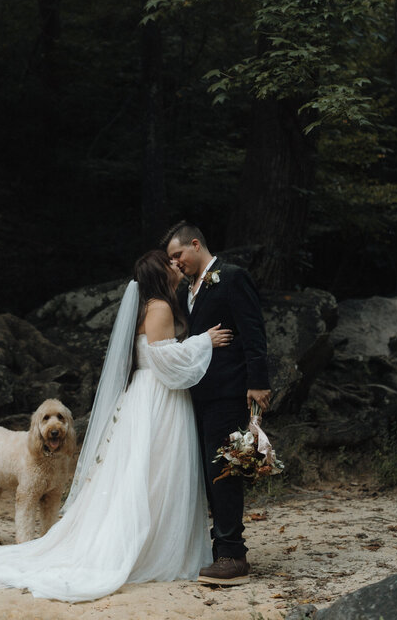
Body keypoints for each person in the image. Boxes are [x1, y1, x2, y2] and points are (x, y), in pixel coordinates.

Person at [0, 250, 232, 602]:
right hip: (158, 399)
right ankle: (151, 547)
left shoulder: (150, 306)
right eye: (169, 262)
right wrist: (205, 341)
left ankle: (154, 540)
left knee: (147, 472)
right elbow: (166, 361)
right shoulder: (160, 308)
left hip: (147, 396)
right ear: (161, 272)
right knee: (155, 471)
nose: (176, 266)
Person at [163, 221, 271, 586]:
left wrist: (258, 383)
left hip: (228, 390)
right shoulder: (184, 290)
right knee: (206, 473)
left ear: (196, 244)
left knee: (224, 470)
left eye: (178, 255)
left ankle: (232, 555)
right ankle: (218, 545)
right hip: (195, 393)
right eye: (171, 260)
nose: (176, 263)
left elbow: (254, 330)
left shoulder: (234, 277)